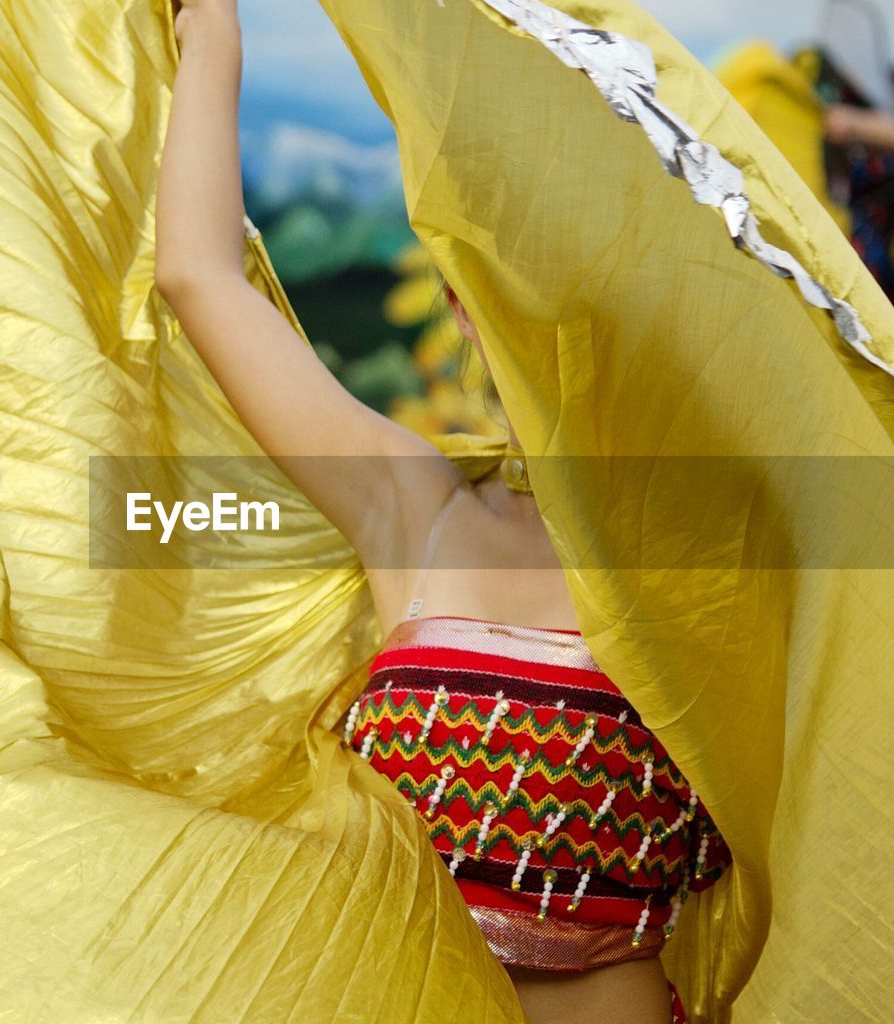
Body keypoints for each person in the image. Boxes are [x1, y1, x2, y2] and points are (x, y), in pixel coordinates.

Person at [155, 3, 729, 1022]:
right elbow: (200, 280)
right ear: (463, 312)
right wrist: (213, 36)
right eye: (494, 288)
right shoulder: (414, 508)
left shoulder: (724, 559)